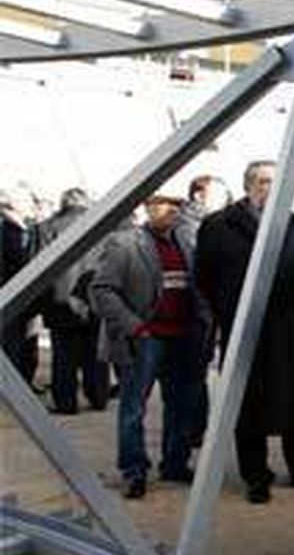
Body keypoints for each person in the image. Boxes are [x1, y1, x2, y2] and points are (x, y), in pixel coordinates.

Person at [195, 160, 294, 504]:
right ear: (249, 186)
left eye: (279, 181)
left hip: (290, 332)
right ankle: (256, 477)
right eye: (266, 182)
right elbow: (204, 277)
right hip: (245, 332)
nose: (273, 188)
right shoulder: (218, 226)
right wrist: (229, 310)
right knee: (248, 407)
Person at [91, 194, 208, 499]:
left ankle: (175, 463)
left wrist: (202, 324)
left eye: (176, 204)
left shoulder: (186, 242)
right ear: (147, 207)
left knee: (182, 404)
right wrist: (135, 327)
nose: (172, 209)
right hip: (146, 339)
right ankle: (134, 470)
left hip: (182, 337)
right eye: (163, 203)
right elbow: (102, 290)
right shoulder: (124, 244)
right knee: (133, 407)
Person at [35, 188, 110, 414]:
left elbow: (39, 266)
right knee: (96, 351)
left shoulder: (47, 227)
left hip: (60, 300)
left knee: (63, 356)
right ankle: (98, 397)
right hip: (95, 297)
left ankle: (66, 402)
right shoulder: (102, 224)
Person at [1, 189, 39, 384]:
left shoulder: (15, 228)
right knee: (14, 340)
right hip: (12, 293)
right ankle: (14, 382)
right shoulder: (13, 229)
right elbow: (21, 261)